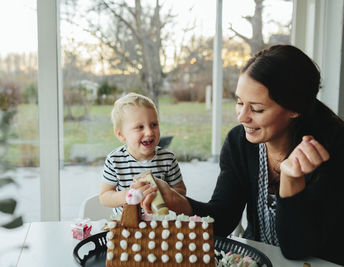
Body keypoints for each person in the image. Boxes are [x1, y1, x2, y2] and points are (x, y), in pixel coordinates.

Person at [134, 45, 344, 265]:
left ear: (294, 109)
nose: (242, 117)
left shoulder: (332, 151)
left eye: (257, 109)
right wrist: (180, 202)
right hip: (258, 259)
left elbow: (297, 249)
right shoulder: (240, 142)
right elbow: (223, 220)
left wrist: (291, 180)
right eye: (239, 102)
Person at [99, 92, 186, 214]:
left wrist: (165, 194)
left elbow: (181, 190)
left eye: (154, 124)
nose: (149, 132)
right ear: (121, 134)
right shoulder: (115, 160)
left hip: (159, 225)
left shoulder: (167, 159)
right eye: (140, 127)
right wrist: (127, 196)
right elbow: (104, 196)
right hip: (127, 226)